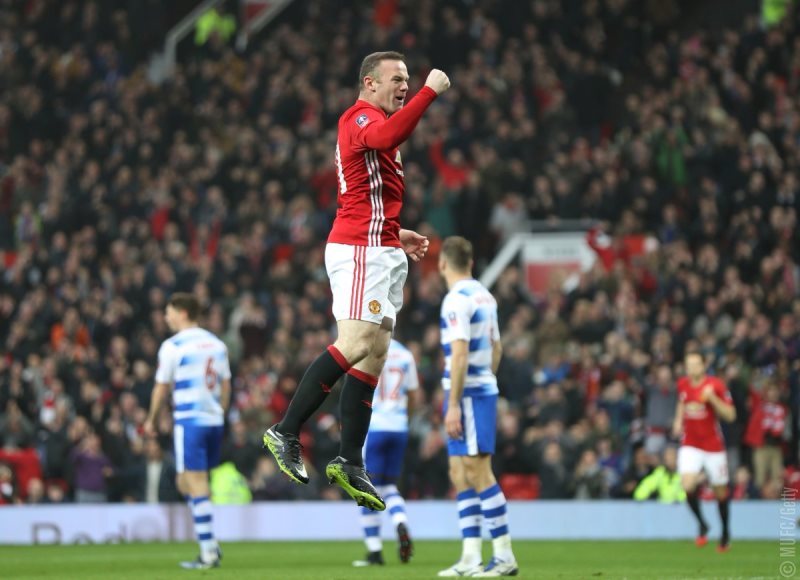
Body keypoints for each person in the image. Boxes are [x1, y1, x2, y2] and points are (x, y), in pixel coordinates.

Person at [263, 51, 450, 511]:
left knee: (375, 353)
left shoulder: (372, 120)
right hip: (360, 250)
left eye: (408, 79)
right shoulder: (360, 116)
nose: (404, 84)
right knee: (356, 340)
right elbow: (387, 136)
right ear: (369, 82)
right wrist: (430, 91)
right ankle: (285, 429)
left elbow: (366, 191)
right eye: (397, 78)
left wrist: (394, 231)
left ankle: (349, 460)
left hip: (381, 245)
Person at [437, 236, 518, 578]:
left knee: (478, 471)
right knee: (459, 473)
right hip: (474, 390)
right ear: (470, 262)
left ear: (443, 264)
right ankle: (471, 556)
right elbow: (496, 348)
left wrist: (455, 403)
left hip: (467, 394)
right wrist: (487, 378)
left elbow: (459, 353)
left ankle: (504, 555)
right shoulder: (485, 294)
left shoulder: (456, 300)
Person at [144, 293, 231, 569]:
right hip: (214, 420)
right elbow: (226, 384)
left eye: (169, 312)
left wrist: (151, 420)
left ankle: (208, 553)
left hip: (190, 421)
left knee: (195, 482)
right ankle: (210, 544)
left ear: (182, 312)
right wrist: (220, 412)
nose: (166, 317)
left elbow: (161, 386)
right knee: (186, 481)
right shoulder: (217, 344)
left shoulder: (173, 346)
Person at [352, 338, 420, 567]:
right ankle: (400, 520)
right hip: (398, 427)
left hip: (375, 427)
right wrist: (404, 417)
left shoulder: (368, 351)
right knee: (389, 487)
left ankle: (374, 552)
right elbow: (414, 396)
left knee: (365, 488)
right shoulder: (405, 354)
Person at [672, 351, 736, 552]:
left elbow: (731, 415)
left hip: (712, 445)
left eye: (695, 365)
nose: (691, 369)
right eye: (688, 365)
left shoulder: (716, 386)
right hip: (690, 443)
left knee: (720, 492)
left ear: (703, 366)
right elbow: (682, 401)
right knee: (687, 485)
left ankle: (725, 532)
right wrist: (677, 421)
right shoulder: (682, 384)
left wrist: (712, 399)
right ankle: (702, 523)